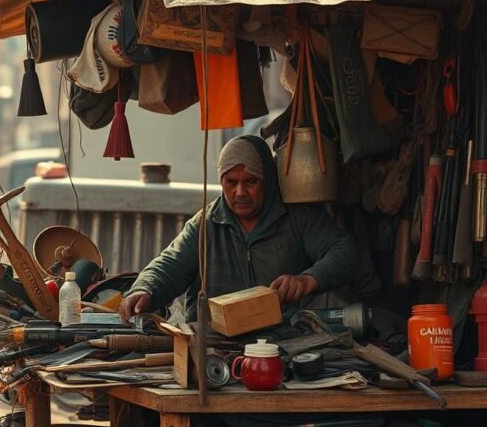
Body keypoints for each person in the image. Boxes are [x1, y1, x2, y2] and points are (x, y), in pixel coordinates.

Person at [119, 135, 360, 323]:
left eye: (251, 182)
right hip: (214, 344)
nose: (240, 192)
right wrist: (144, 289)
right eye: (231, 182)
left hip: (281, 343)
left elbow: (344, 251)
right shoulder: (205, 224)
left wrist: (308, 280)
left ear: (268, 180)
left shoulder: (299, 216)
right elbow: (170, 264)